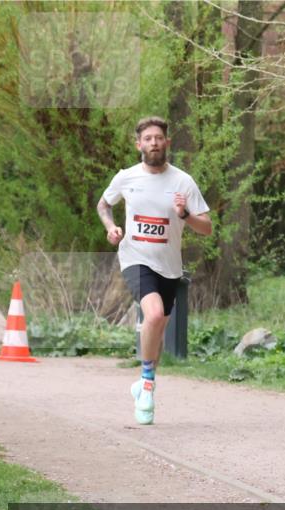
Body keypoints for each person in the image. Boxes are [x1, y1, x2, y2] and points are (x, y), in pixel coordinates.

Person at [97, 116, 212, 425]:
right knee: (154, 315)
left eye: (158, 138)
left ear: (167, 143)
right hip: (135, 257)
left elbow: (207, 228)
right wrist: (111, 228)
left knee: (157, 327)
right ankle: (147, 385)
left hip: (169, 267)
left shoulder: (183, 182)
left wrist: (185, 214)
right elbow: (103, 205)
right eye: (147, 138)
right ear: (139, 145)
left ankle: (144, 380)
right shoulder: (126, 178)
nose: (153, 143)